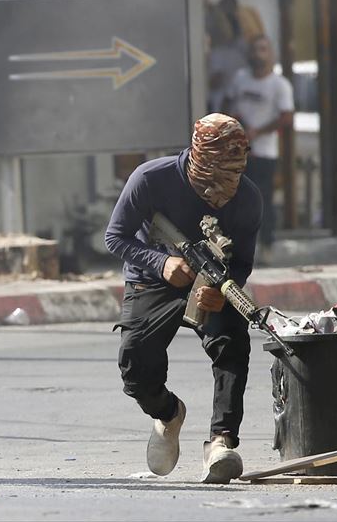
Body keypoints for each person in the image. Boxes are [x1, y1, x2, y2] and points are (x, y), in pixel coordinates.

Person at [105, 114, 262, 483]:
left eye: (235, 174)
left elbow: (242, 263)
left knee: (232, 345)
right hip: (152, 280)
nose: (227, 186)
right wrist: (161, 263)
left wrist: (223, 291)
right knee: (134, 364)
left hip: (210, 284)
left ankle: (221, 441)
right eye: (218, 175)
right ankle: (168, 413)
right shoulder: (151, 179)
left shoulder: (248, 198)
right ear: (199, 160)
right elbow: (115, 237)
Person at [223, 34, 294, 250]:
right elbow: (228, 103)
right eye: (255, 49)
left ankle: (266, 244)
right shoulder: (240, 78)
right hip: (238, 152)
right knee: (235, 200)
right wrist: (237, 124)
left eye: (263, 49)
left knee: (262, 200)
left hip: (264, 152)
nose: (258, 55)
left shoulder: (279, 84)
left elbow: (286, 117)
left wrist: (257, 131)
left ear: (271, 54)